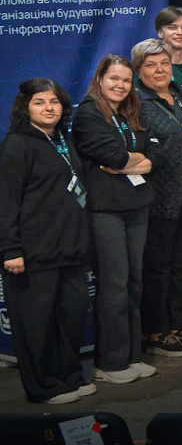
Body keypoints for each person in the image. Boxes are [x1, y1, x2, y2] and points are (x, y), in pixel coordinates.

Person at [75, 55, 169, 382]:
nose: (120, 85)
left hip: (137, 205)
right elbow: (110, 155)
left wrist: (138, 162)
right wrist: (136, 159)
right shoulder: (88, 113)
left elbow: (157, 153)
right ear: (100, 79)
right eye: (114, 78)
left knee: (134, 282)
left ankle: (132, 356)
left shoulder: (131, 111)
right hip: (106, 210)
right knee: (115, 284)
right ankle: (110, 363)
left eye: (126, 80)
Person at [0, 79, 95, 403]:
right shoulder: (15, 145)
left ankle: (70, 376)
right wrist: (10, 249)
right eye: (39, 102)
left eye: (54, 101)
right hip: (33, 253)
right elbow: (6, 202)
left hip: (71, 248)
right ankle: (44, 387)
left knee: (71, 316)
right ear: (25, 107)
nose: (49, 108)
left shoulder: (63, 140)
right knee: (36, 324)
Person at [130, 40, 182, 360]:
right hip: (159, 199)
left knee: (179, 267)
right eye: (150, 65)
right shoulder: (136, 102)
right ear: (138, 70)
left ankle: (177, 327)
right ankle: (156, 332)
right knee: (157, 268)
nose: (159, 70)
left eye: (164, 63)